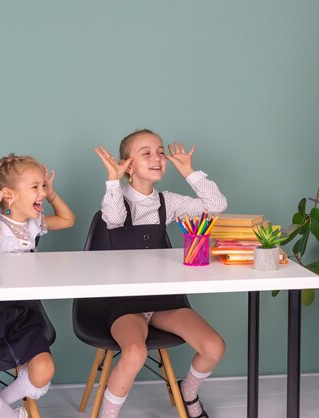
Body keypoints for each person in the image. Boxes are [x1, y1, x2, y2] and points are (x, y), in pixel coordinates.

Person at [93, 129, 228, 418]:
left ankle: (187, 392)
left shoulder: (169, 202)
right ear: (127, 164)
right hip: (123, 303)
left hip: (163, 300)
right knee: (134, 353)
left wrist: (190, 173)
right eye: (146, 153)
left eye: (160, 151)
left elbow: (216, 207)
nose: (157, 157)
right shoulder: (116, 200)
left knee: (214, 346)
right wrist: (112, 180)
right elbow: (113, 219)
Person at [0, 154, 76, 418]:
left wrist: (52, 195)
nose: (42, 192)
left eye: (43, 186)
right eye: (36, 187)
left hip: (21, 314)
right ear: (9, 195)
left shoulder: (32, 224)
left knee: (44, 370)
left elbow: (67, 220)